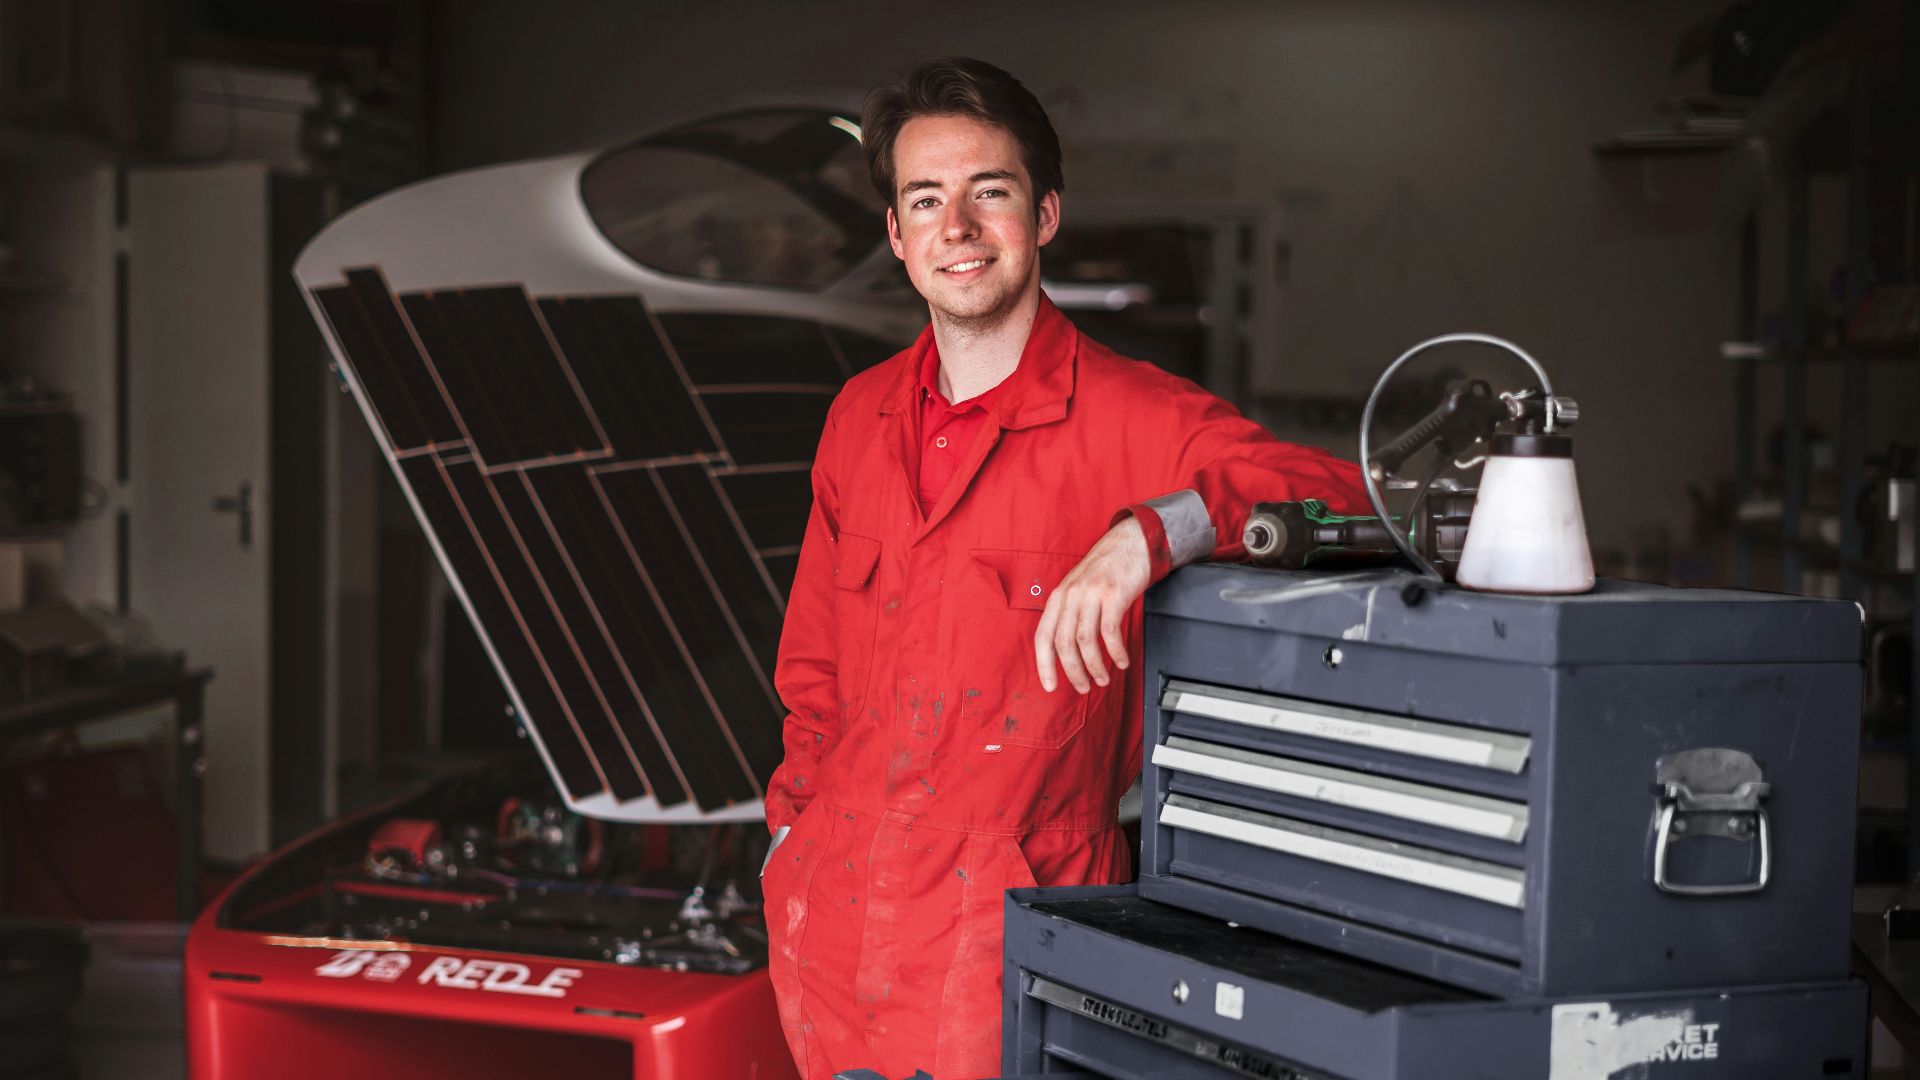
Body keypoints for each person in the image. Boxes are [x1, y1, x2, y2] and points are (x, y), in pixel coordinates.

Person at [761, 56, 1368, 1079]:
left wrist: (1157, 528)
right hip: (831, 925)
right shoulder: (857, 418)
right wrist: (790, 840)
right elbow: (812, 672)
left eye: (987, 193)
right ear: (897, 236)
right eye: (925, 200)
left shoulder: (1137, 418)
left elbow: (1346, 492)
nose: (956, 227)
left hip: (1014, 939)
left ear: (1043, 216)